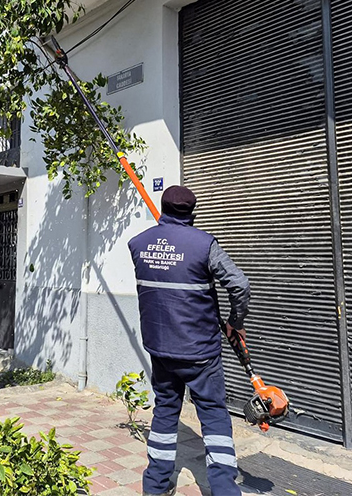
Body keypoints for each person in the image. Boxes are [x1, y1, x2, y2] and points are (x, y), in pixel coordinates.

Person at [128, 185, 250, 496]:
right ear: (192, 213)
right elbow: (239, 284)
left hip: (160, 348)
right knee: (213, 415)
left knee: (165, 411)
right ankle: (224, 489)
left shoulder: (138, 243)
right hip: (200, 351)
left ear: (163, 208)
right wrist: (235, 323)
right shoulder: (204, 244)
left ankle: (155, 485)